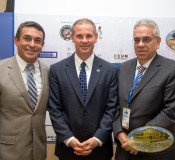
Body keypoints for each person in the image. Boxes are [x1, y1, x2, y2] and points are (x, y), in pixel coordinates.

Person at [48, 18, 118, 160]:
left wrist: (97, 138)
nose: (84, 40)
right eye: (79, 36)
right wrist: (69, 139)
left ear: (96, 38)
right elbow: (54, 108)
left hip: (100, 149)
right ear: (72, 38)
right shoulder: (57, 70)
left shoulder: (110, 70)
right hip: (68, 149)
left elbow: (112, 108)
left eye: (89, 36)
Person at [113, 19, 175, 160]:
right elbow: (117, 105)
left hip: (155, 150)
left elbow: (171, 112)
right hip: (124, 149)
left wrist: (138, 139)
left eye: (146, 39)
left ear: (158, 41)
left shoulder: (172, 69)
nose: (140, 44)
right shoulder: (124, 68)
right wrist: (119, 132)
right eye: (136, 40)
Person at [0, 21, 49, 160]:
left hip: (38, 152)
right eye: (27, 38)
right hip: (6, 152)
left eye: (37, 40)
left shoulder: (48, 72)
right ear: (16, 40)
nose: (32, 44)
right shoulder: (1, 70)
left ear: (42, 45)